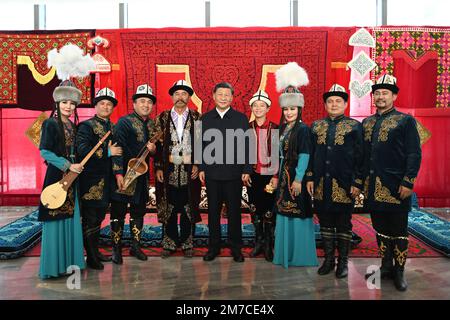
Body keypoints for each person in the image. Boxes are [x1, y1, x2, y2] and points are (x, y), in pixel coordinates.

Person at [362, 74, 422, 291]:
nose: (380, 97)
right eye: (377, 93)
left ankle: (399, 271)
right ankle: (385, 266)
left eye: (385, 93)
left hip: (396, 185)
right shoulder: (367, 122)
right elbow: (362, 155)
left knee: (398, 230)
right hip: (372, 186)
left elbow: (414, 153)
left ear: (394, 95)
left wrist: (408, 181)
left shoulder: (405, 121)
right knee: (380, 228)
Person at [305, 84, 364, 278]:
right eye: (330, 101)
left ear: (345, 103)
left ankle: (343, 262)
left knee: (343, 223)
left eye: (338, 101)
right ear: (325, 104)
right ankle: (329, 260)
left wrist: (357, 182)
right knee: (325, 221)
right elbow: (311, 154)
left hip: (345, 183)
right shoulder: (316, 126)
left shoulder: (355, 126)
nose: (334, 104)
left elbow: (361, 157)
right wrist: (310, 176)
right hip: (321, 182)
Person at [270, 62, 318, 268]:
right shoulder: (282, 129)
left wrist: (299, 179)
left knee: (297, 212)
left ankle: (299, 255)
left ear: (299, 109)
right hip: (282, 177)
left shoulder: (303, 130)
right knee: (283, 211)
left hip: (295, 178)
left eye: (293, 109)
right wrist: (275, 175)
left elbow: (305, 155)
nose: (289, 112)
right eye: (286, 109)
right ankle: (284, 255)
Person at [198, 82, 252, 263]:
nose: (223, 97)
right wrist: (201, 167)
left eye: (227, 95)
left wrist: (246, 169)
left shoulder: (241, 118)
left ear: (232, 97)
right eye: (220, 94)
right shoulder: (204, 119)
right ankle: (213, 247)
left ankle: (236, 247)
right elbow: (199, 146)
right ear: (213, 96)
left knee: (234, 212)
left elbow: (247, 146)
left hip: (234, 174)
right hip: (212, 174)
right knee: (212, 212)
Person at [38, 80, 85, 279]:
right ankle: (52, 267)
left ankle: (69, 264)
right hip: (56, 177)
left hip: (73, 177)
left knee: (70, 216)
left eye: (72, 103)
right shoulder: (49, 124)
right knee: (55, 218)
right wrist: (67, 165)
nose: (68, 106)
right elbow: (45, 152)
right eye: (65, 102)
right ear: (57, 102)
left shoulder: (73, 126)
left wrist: (78, 165)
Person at [110, 84, 157, 264]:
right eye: (142, 101)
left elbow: (155, 151)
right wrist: (118, 174)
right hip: (124, 174)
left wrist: (153, 150)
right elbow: (117, 148)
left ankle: (135, 246)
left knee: (138, 212)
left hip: (141, 176)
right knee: (118, 212)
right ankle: (116, 249)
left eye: (149, 102)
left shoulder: (152, 124)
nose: (146, 105)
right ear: (135, 103)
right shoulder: (124, 122)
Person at [154, 80, 202, 258]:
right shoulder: (162, 118)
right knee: (170, 207)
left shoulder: (197, 118)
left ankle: (188, 242)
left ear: (189, 97)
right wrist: (158, 167)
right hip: (168, 171)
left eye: (184, 94)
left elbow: (202, 143)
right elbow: (157, 145)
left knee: (189, 206)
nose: (180, 97)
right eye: (177, 94)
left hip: (191, 172)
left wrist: (198, 163)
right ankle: (170, 242)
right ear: (172, 97)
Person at [76, 88, 122, 270]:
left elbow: (119, 152)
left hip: (108, 180)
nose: (105, 106)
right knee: (90, 218)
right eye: (102, 103)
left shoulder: (113, 127)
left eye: (109, 104)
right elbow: (82, 150)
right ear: (95, 106)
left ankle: (95, 251)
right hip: (91, 181)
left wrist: (118, 172)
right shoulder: (86, 126)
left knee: (100, 217)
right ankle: (91, 257)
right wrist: (108, 152)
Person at [246, 90, 278, 262]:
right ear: (252, 108)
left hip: (269, 176)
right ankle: (258, 241)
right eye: (255, 106)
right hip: (252, 175)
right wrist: (244, 172)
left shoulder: (275, 128)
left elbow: (280, 155)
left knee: (268, 210)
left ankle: (268, 245)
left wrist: (276, 176)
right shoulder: (246, 128)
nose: (258, 108)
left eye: (262, 106)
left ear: (267, 108)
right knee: (254, 208)